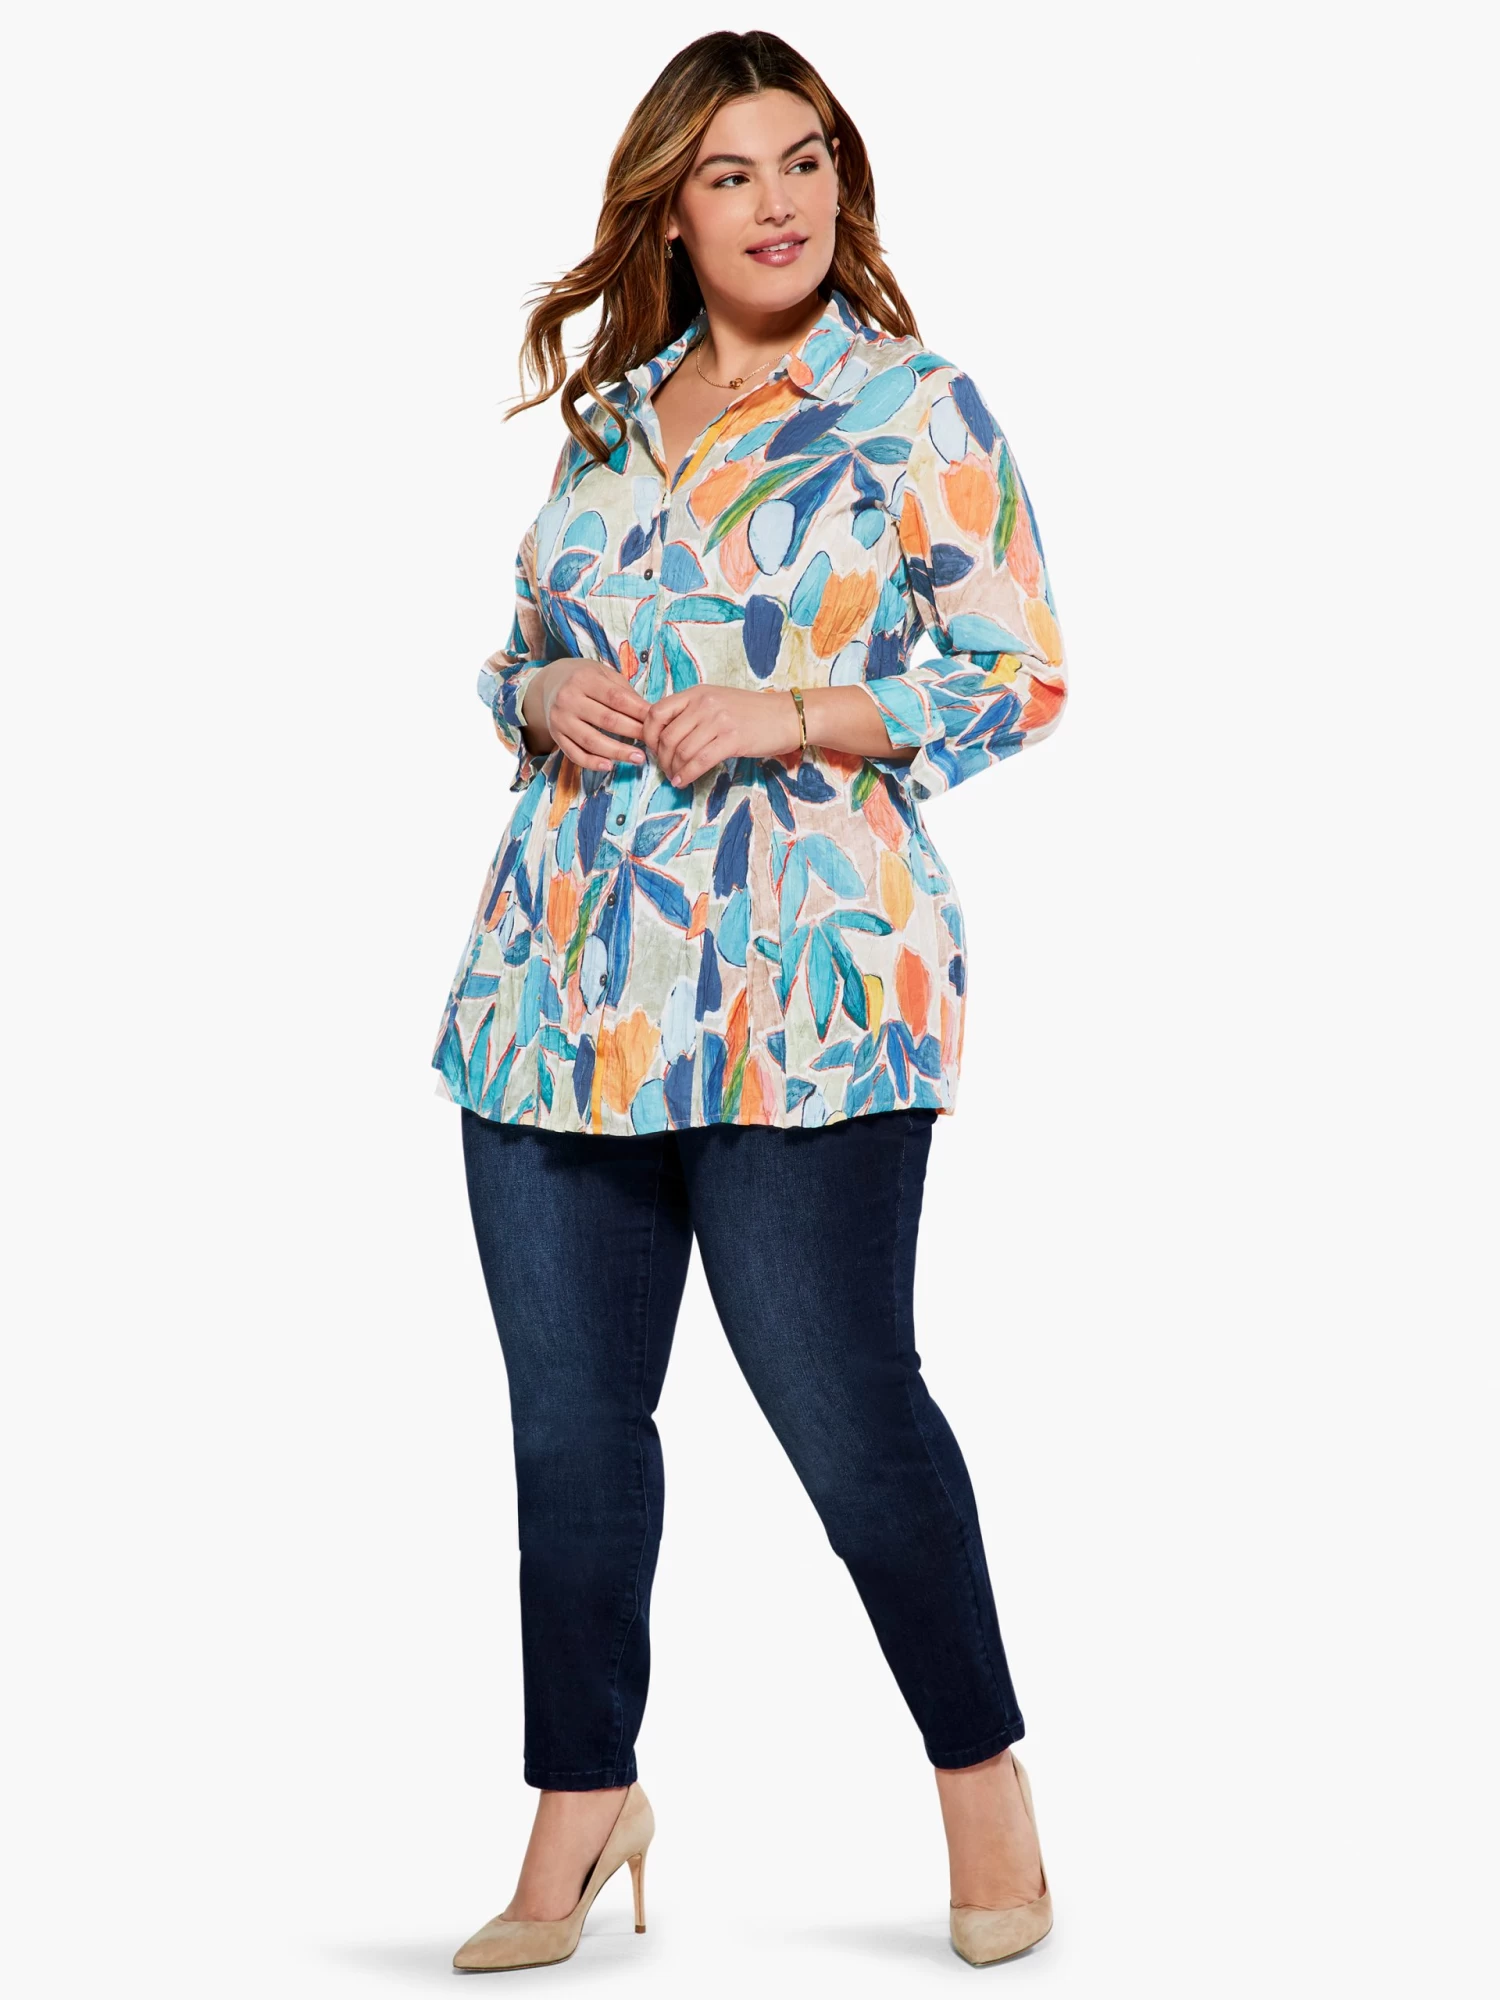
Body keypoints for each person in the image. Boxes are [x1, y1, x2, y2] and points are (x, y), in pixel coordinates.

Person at [431, 29, 1068, 1974]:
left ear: (840, 183)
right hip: (558, 989)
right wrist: (535, 691)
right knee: (570, 1434)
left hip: (812, 998)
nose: (778, 202)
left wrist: (794, 710)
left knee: (849, 1410)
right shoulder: (612, 421)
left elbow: (1019, 672)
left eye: (804, 162)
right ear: (670, 213)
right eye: (731, 173)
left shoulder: (912, 408)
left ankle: (987, 1791)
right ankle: (581, 1802)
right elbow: (523, 646)